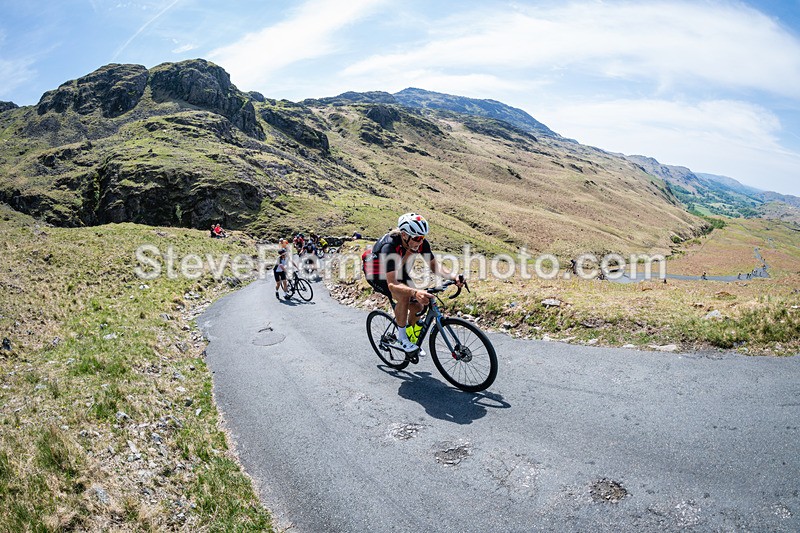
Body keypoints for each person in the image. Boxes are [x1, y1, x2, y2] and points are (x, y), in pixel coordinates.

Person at [363, 213, 464, 355]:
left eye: (423, 237)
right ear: (404, 235)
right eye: (417, 238)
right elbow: (392, 284)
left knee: (418, 305)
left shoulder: (418, 243)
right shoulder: (389, 246)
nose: (421, 242)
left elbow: (435, 267)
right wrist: (414, 292)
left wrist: (454, 277)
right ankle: (402, 339)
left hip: (398, 269)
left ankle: (409, 332)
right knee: (404, 296)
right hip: (377, 274)